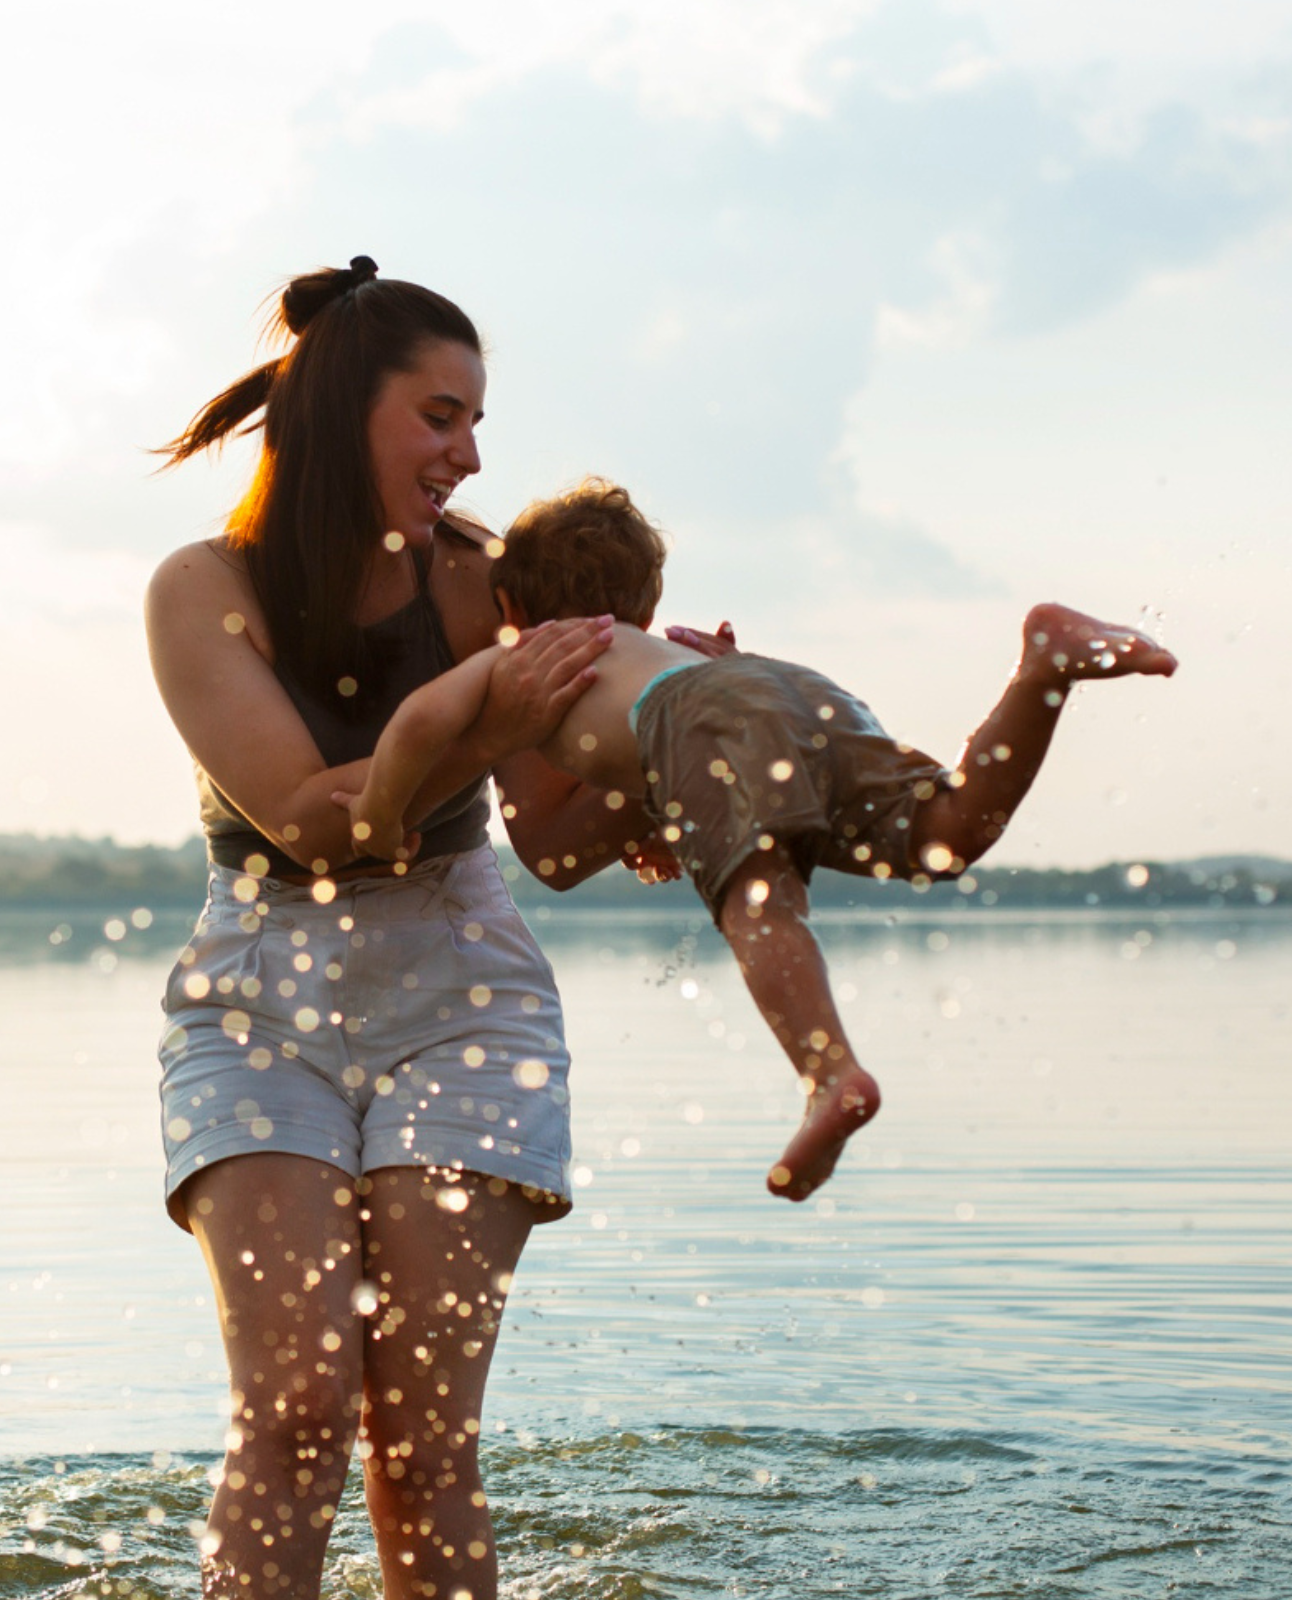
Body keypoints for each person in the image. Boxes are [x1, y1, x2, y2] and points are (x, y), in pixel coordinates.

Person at [144, 263, 661, 1599]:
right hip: (258, 1005)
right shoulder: (201, 589)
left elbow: (549, 838)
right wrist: (478, 721)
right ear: (339, 410)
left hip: (464, 994)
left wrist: (654, 759)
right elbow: (319, 824)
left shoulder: (481, 578)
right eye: (440, 416)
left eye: (474, 422)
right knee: (300, 1409)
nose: (469, 453)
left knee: (422, 1439)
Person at [340, 478, 1179, 1204]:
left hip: (704, 717)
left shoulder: (528, 657)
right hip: (790, 686)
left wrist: (380, 811)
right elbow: (655, 767)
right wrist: (669, 795)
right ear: (647, 605)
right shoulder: (656, 651)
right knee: (943, 832)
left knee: (760, 902)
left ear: (511, 608)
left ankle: (828, 1075)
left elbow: (425, 725)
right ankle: (1040, 672)